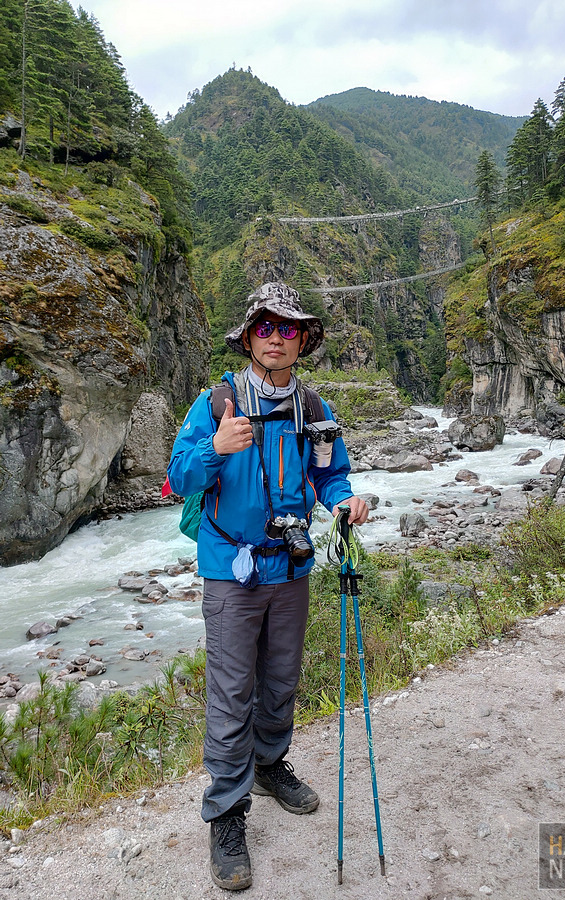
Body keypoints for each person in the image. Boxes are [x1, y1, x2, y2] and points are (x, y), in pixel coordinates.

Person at [167, 282, 368, 891]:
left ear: (302, 340)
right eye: (264, 327)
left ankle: (269, 765)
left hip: (291, 566)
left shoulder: (314, 407)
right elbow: (178, 477)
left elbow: (330, 474)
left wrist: (345, 502)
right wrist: (215, 447)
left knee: (281, 678)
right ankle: (227, 815)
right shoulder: (217, 402)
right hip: (231, 568)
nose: (275, 338)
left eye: (287, 328)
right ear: (249, 338)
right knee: (232, 693)